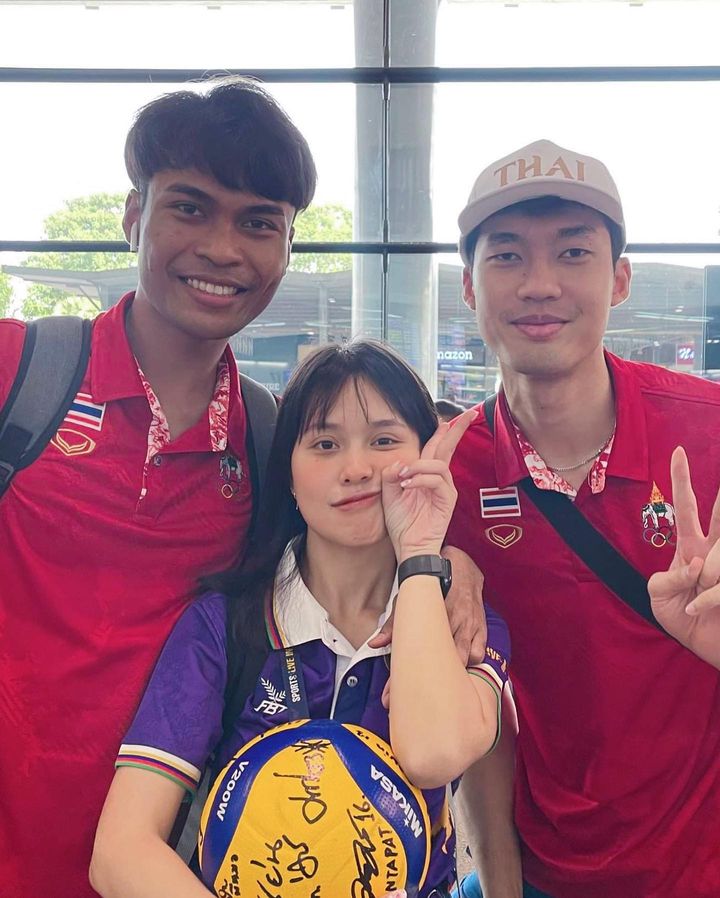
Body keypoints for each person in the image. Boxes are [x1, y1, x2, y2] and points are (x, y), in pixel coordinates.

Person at [0, 77, 317, 897]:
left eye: (259, 223)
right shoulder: (20, 375)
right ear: (133, 216)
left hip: (164, 870)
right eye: (190, 208)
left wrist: (456, 574)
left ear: (288, 248)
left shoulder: (273, 442)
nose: (222, 249)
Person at [89, 340, 513, 898]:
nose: (356, 469)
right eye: (325, 444)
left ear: (426, 456)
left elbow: (432, 755)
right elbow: (120, 851)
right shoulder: (224, 627)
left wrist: (419, 556)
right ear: (288, 472)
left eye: (384, 441)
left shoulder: (468, 623)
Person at [447, 139, 720, 898]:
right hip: (542, 870)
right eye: (507, 256)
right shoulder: (451, 475)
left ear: (620, 279)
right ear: (468, 286)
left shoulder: (708, 432)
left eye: (573, 253)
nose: (540, 285)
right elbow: (480, 711)